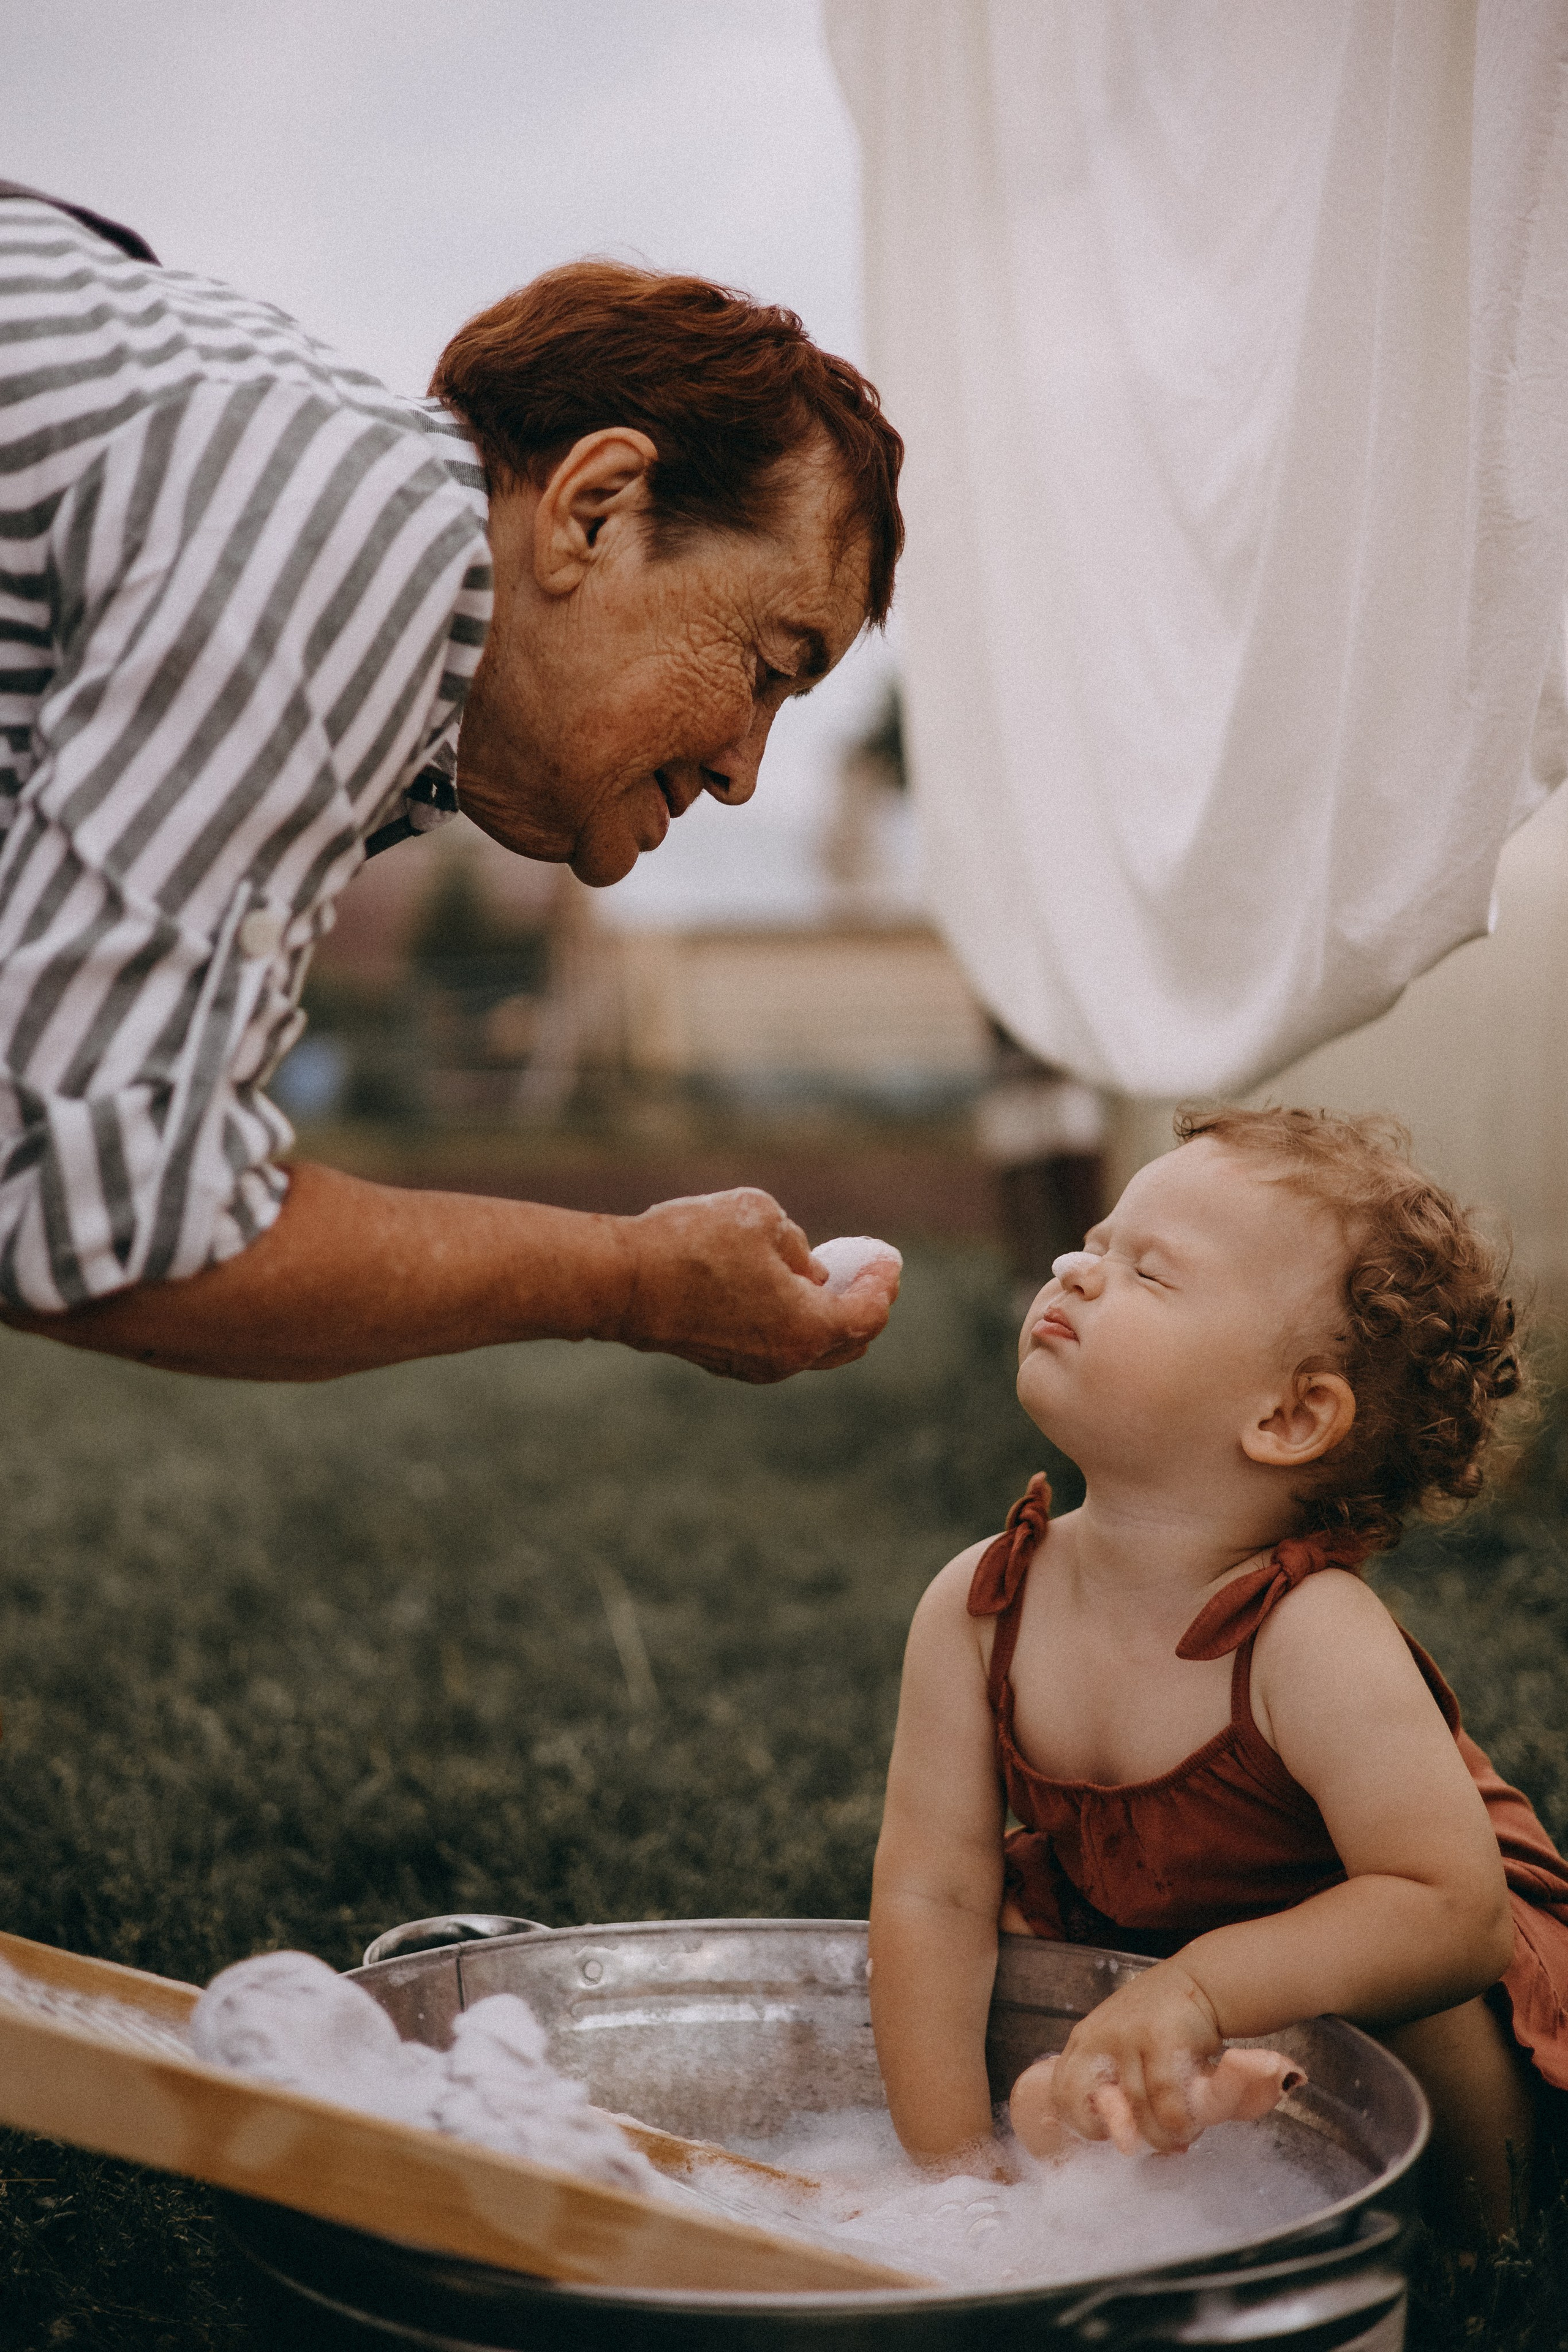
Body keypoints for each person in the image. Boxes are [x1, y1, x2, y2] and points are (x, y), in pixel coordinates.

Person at [0, 187, 904, 1384]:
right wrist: (633, 1280)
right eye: (766, 667)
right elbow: (101, 1213)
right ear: (594, 510)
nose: (744, 768)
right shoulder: (357, 539)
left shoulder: (316, 529)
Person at [870, 1106, 1568, 2238]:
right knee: (1000, 1966)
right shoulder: (978, 1608)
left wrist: (1201, 1987)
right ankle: (1130, 2146)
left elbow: (1451, 1916)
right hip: (1148, 1975)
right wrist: (951, 2183)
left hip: (1398, 2000)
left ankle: (1463, 2219)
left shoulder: (1309, 1638)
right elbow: (930, 1895)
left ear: (1290, 1414)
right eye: (1094, 1245)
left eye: (1147, 1271)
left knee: (1405, 1999)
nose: (1075, 1270)